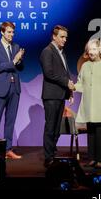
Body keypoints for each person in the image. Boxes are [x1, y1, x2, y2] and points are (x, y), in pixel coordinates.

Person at [69, 39, 101, 169]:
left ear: (99, 50)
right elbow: (81, 84)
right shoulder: (85, 66)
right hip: (89, 104)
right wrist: (73, 87)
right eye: (89, 49)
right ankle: (92, 158)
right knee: (91, 132)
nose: (91, 52)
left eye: (94, 49)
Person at [0, 21, 24, 160]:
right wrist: (13, 61)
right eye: (9, 32)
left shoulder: (16, 47)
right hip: (0, 89)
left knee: (10, 120)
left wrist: (19, 61)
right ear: (2, 32)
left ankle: (7, 149)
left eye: (13, 32)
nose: (11, 35)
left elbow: (20, 68)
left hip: (14, 89)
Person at [40, 25, 73, 168]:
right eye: (62, 36)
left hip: (60, 95)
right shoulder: (47, 51)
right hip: (51, 95)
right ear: (54, 36)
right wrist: (66, 82)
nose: (65, 39)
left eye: (66, 37)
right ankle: (48, 157)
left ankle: (52, 151)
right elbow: (49, 73)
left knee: (56, 127)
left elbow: (65, 72)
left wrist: (69, 90)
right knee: (50, 126)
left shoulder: (61, 52)